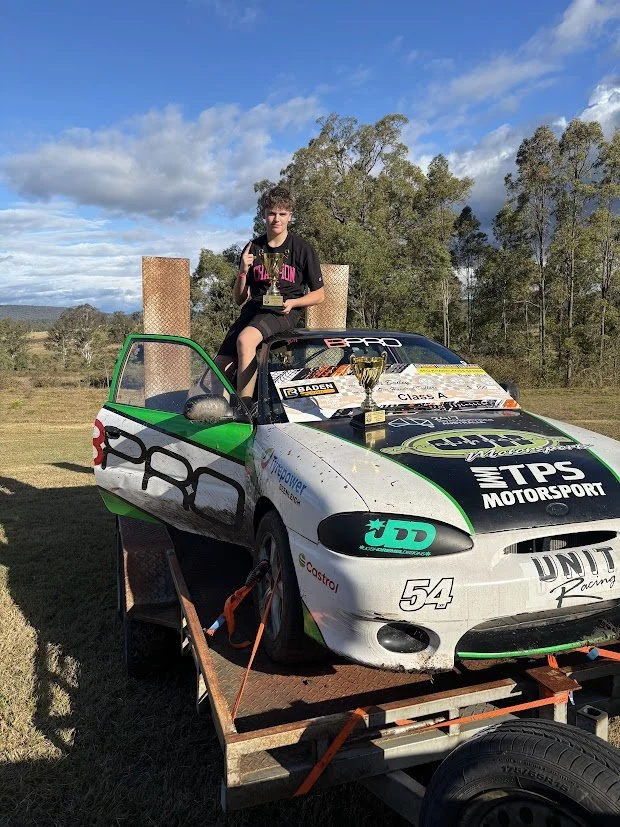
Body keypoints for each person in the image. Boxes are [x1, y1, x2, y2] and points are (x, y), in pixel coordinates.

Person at [214, 186, 325, 407]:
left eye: (282, 214)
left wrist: (294, 302)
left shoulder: (302, 248)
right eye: (272, 213)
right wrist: (243, 272)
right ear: (263, 214)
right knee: (220, 365)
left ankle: (244, 410)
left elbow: (319, 295)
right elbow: (239, 298)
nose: (277, 219)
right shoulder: (252, 247)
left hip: (283, 310)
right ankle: (216, 412)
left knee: (246, 340)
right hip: (253, 309)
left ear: (290, 216)